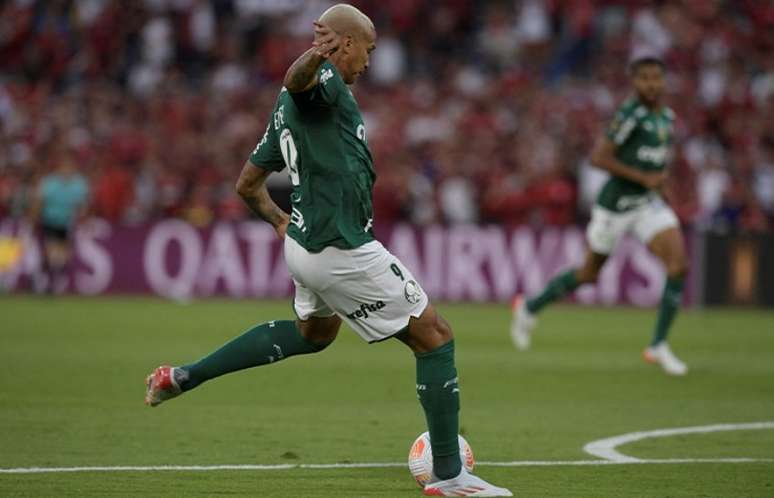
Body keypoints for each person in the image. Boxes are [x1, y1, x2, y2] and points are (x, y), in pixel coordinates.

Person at [144, 5, 512, 496]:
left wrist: (279, 222)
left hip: (304, 246)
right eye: (367, 49)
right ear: (344, 44)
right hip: (341, 247)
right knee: (435, 336)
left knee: (313, 334)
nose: (369, 61)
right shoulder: (322, 85)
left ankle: (185, 376)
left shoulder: (286, 109)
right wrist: (316, 58)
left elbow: (247, 184)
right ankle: (449, 475)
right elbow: (297, 81)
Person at [510, 57, 689, 376]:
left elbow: (655, 161)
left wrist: (658, 185)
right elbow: (599, 158)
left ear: (663, 81)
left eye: (656, 78)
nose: (651, 84)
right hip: (615, 207)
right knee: (589, 274)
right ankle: (529, 307)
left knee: (678, 265)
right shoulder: (629, 114)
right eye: (644, 78)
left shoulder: (667, 117)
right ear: (634, 82)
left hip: (647, 204)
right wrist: (643, 178)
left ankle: (658, 345)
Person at [29, 151, 89, 294]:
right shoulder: (49, 184)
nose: (67, 170)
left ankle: (43, 278)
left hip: (66, 224)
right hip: (50, 222)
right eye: (64, 167)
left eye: (69, 168)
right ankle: (47, 284)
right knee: (53, 254)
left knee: (63, 258)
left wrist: (83, 217)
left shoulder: (79, 184)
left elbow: (82, 205)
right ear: (59, 168)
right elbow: (39, 203)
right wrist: (33, 220)